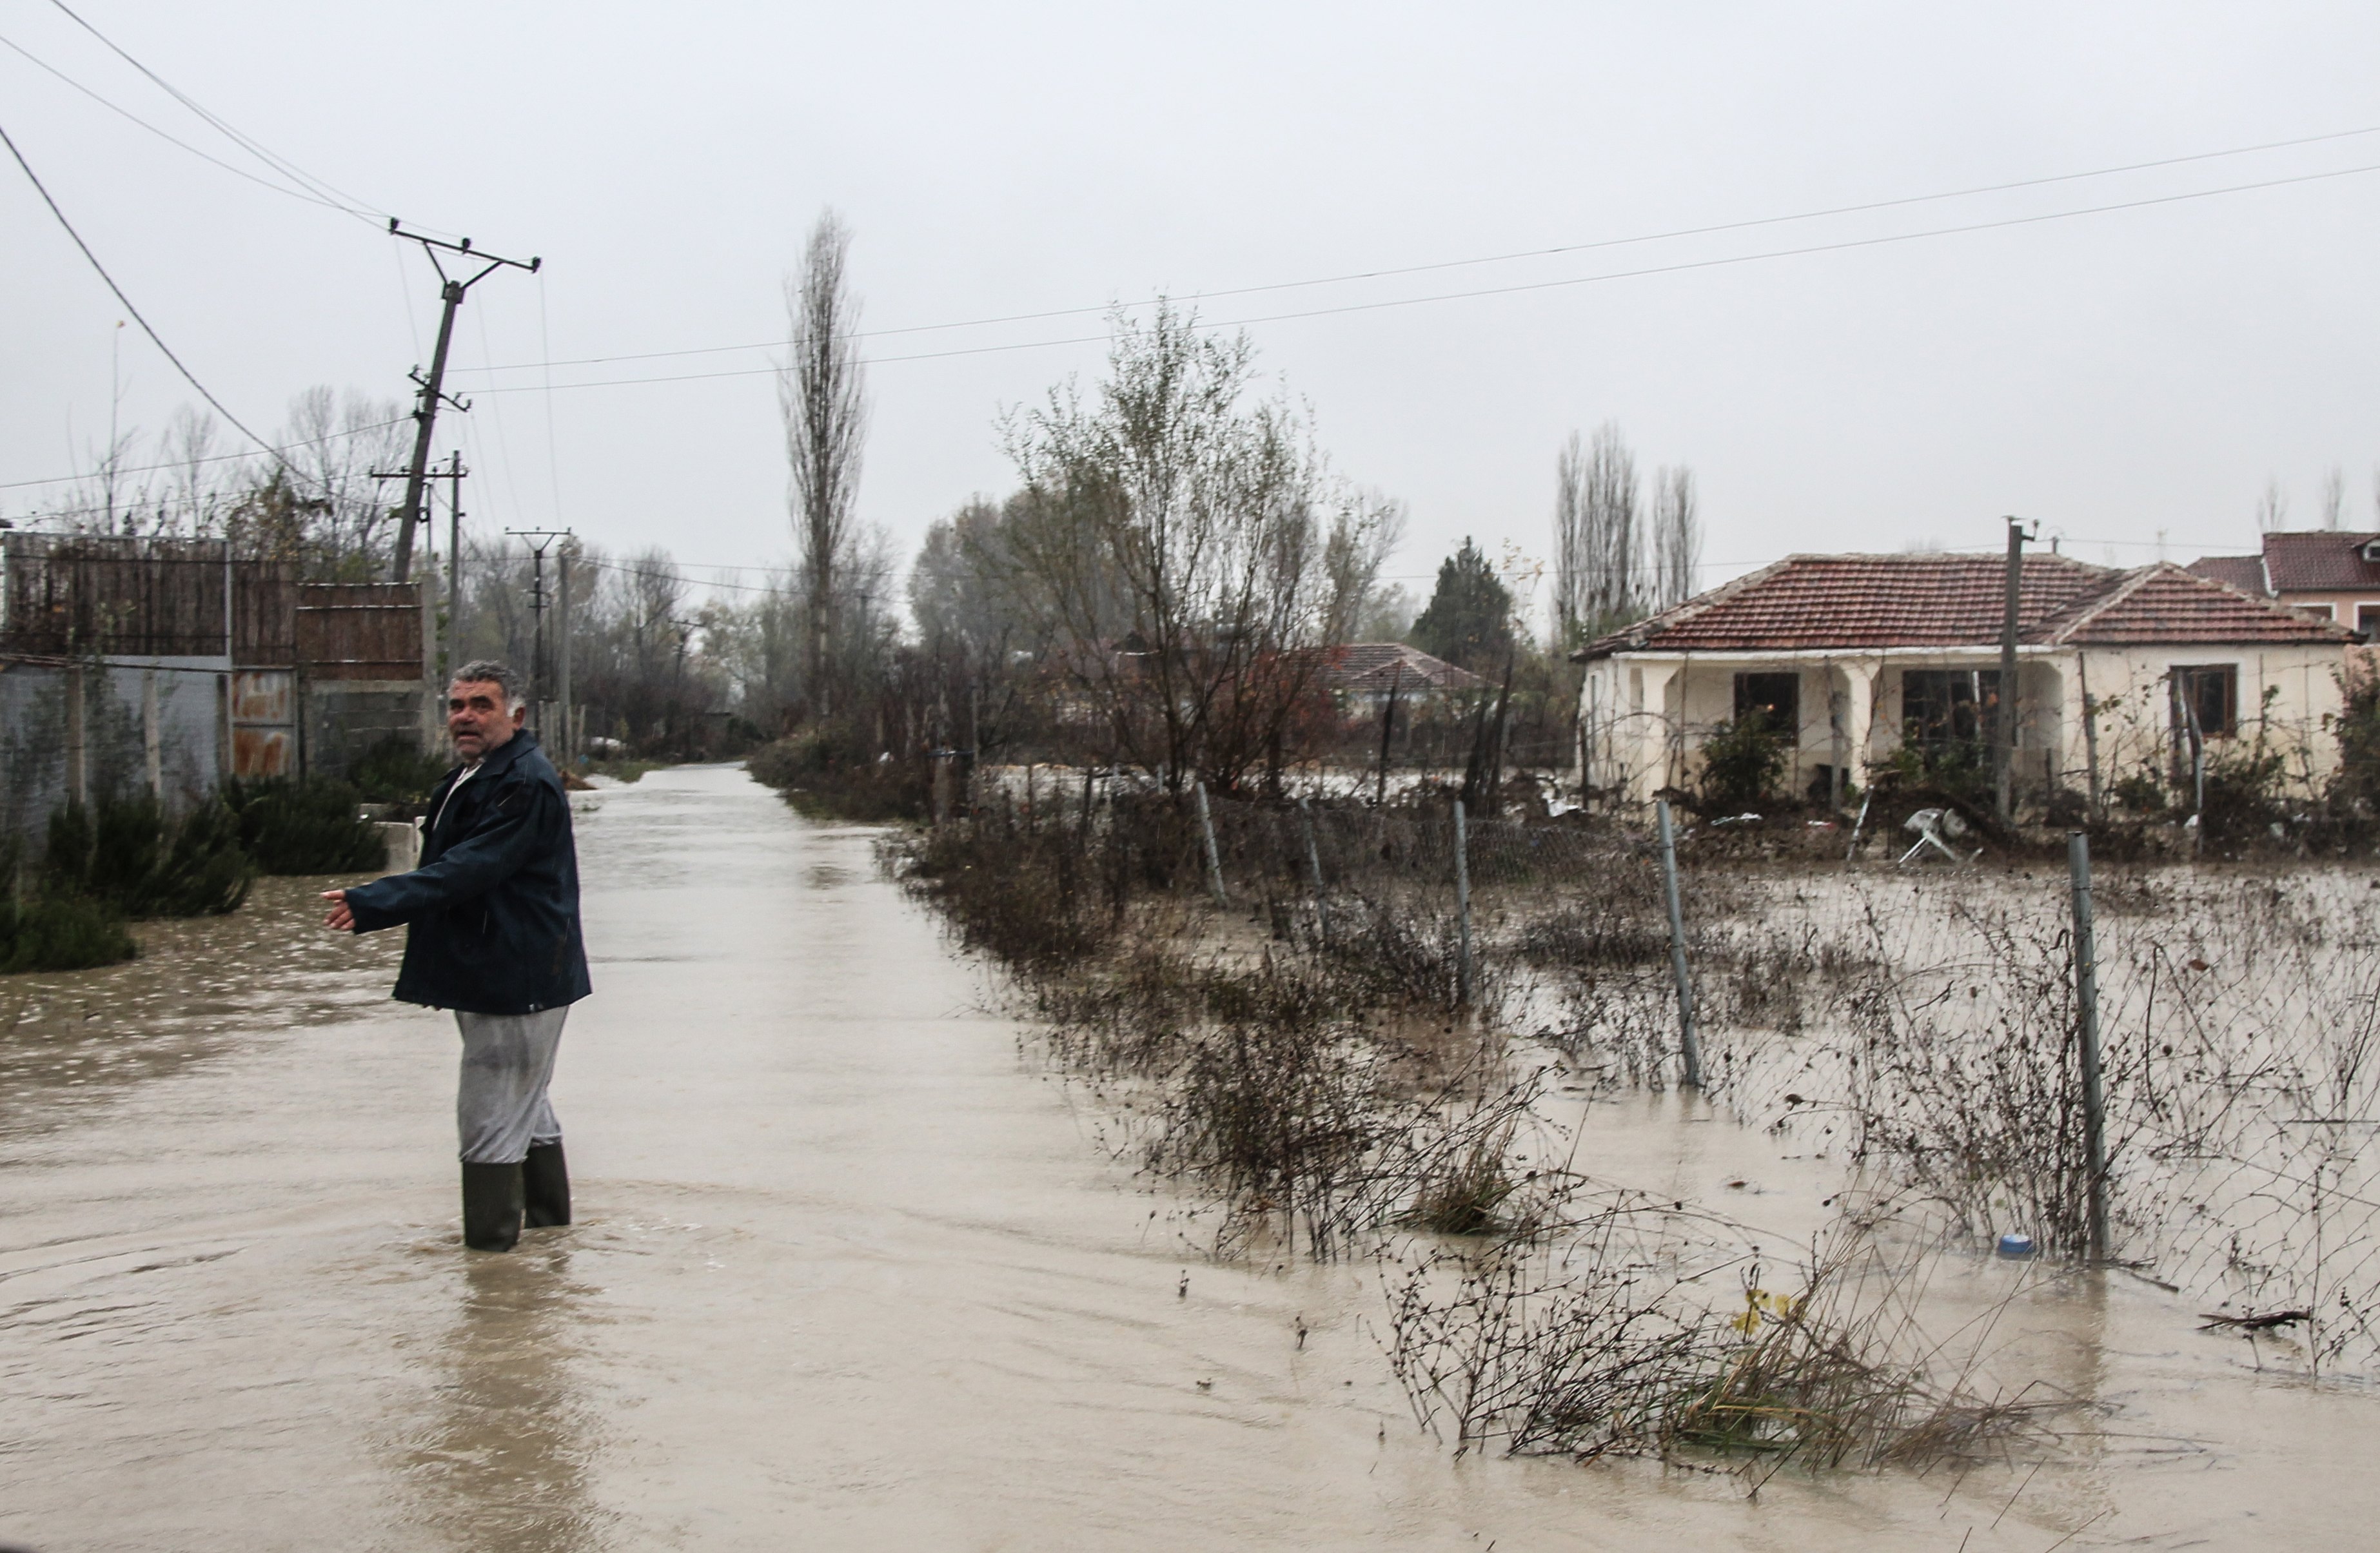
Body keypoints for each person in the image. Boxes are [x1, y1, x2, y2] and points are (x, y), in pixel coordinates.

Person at [322, 659, 592, 1252]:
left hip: (518, 976)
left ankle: (492, 1282)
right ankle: (552, 1247)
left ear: (515, 715)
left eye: (481, 705)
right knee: (527, 1105)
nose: (464, 716)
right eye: (456, 704)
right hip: (502, 969)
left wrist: (375, 902)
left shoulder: (523, 783)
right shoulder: (474, 776)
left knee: (490, 1117)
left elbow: (470, 868)